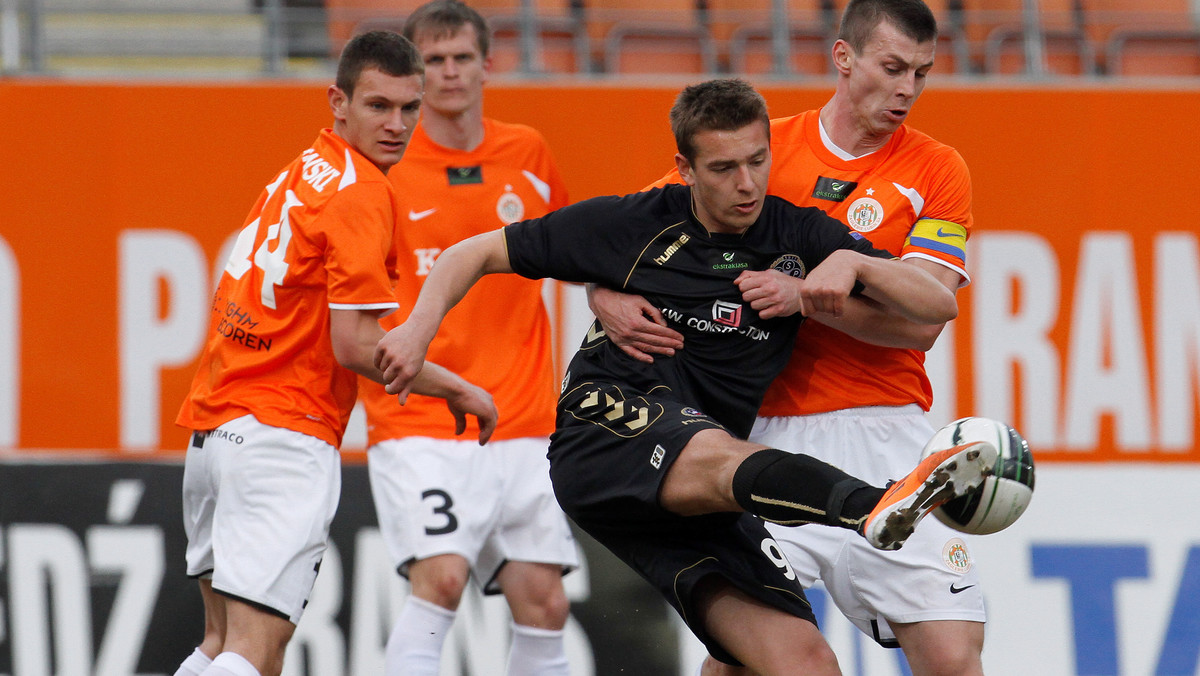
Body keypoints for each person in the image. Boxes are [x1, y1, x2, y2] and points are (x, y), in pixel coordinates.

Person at [375, 78, 996, 676]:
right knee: (721, 454)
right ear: (686, 168)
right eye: (724, 169)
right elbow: (472, 252)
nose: (746, 183)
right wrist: (416, 330)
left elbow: (936, 304)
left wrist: (847, 263)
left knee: (803, 663)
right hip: (610, 429)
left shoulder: (799, 234)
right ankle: (880, 506)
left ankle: (873, 509)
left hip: (687, 497)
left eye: (757, 161)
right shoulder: (636, 223)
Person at [586, 1, 983, 674]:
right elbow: (618, 242)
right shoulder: (759, 151)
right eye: (892, 68)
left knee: (952, 656)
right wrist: (608, 297)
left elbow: (930, 309)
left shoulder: (936, 169)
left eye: (922, 72)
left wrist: (843, 272)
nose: (907, 89)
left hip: (883, 432)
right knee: (743, 655)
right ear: (843, 57)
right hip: (758, 432)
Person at [172, 31, 497, 676]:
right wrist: (457, 388)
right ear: (338, 101)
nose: (397, 124)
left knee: (216, 644)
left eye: (410, 108)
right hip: (282, 436)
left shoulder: (307, 166)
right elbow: (358, 346)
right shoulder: (363, 195)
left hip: (215, 429)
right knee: (253, 655)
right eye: (379, 106)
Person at [356, 3, 579, 675]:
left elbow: (577, 250)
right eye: (434, 61)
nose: (449, 73)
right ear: (413, 74)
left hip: (521, 420)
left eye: (461, 57)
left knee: (545, 603)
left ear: (488, 63)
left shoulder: (529, 154)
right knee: (443, 580)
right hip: (421, 417)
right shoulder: (385, 168)